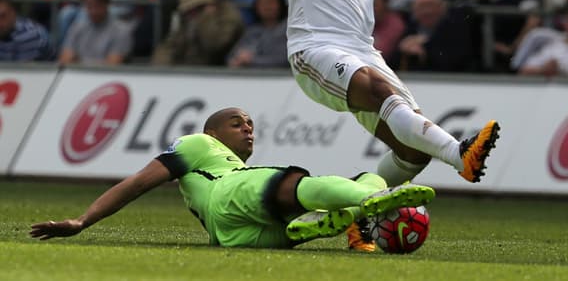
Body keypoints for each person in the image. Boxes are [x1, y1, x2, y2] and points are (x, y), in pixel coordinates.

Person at [159, 0, 555, 251]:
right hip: (312, 49)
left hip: (362, 51)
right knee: (381, 91)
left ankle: (354, 219)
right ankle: (460, 154)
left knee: (412, 151)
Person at [30, 107, 435, 248]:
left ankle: (338, 216)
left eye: (251, 125)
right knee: (299, 185)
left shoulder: (230, 164)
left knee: (311, 213)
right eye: (236, 123)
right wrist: (84, 220)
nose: (247, 129)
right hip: (229, 196)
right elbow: (138, 182)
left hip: (233, 235)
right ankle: (366, 199)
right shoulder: (197, 145)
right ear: (212, 133)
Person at [152, 0, 244, 66]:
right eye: (188, 11)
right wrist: (161, 70)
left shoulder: (228, 15)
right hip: (187, 72)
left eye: (195, 9)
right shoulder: (188, 20)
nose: (190, 15)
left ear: (208, 4)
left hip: (216, 73)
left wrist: (206, 17)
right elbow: (170, 46)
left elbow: (214, 44)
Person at [58, 0, 132, 65]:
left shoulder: (122, 30)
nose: (93, 11)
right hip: (77, 75)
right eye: (89, 5)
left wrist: (78, 61)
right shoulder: (77, 26)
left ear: (107, 4)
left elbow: (113, 64)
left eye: (98, 5)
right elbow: (65, 58)